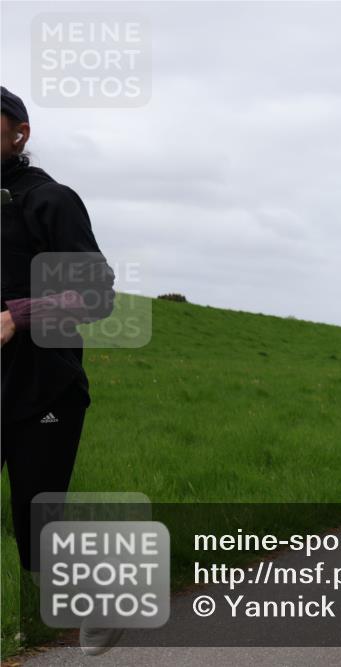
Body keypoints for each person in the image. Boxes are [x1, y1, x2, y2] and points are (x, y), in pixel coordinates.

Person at [0, 86, 118, 655]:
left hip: (45, 386)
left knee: (35, 522)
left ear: (19, 132)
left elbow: (98, 296)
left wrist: (17, 316)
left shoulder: (51, 200)